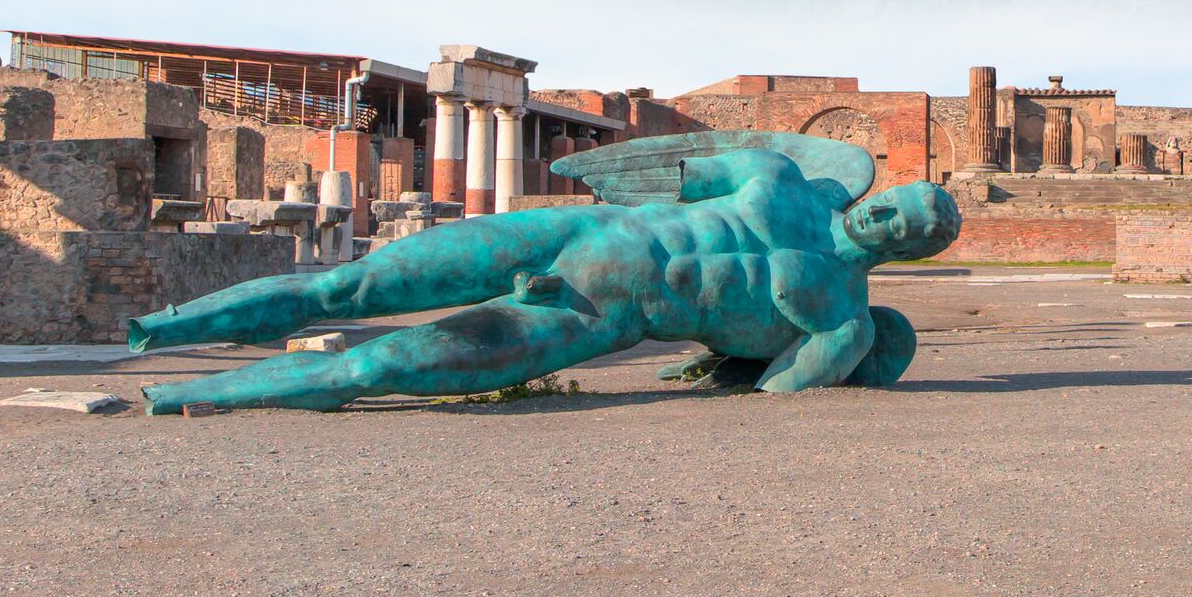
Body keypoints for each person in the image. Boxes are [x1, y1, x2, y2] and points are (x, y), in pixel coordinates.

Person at [129, 145, 961, 413]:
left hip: (598, 311)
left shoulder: (840, 319)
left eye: (910, 230)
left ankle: (188, 397)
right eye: (897, 204)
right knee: (347, 289)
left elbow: (780, 390)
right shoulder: (780, 179)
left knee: (380, 367)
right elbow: (669, 172)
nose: (888, 220)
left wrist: (837, 351)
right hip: (579, 230)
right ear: (883, 192)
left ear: (915, 254)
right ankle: (160, 328)